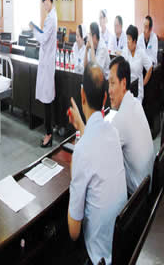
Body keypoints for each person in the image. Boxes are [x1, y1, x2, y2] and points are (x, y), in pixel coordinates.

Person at [66, 63, 127, 265]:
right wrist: (80, 125)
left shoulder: (82, 150)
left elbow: (74, 232)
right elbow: (94, 138)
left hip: (98, 256)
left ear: (82, 95)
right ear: (104, 98)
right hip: (120, 245)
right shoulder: (113, 132)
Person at [108, 56, 154, 196]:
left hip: (137, 198)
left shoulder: (121, 119)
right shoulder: (135, 104)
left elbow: (100, 154)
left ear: (123, 84)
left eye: (112, 83)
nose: (109, 90)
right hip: (149, 184)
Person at [32, 0, 57, 148]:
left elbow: (43, 38)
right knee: (46, 100)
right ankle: (48, 132)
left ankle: (49, 134)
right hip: (47, 62)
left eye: (44, 3)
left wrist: (34, 30)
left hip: (47, 64)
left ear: (48, 0)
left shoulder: (51, 18)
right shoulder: (51, 17)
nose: (44, 6)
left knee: (47, 101)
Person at [123, 25, 152, 102]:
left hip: (138, 92)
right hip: (127, 90)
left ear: (135, 41)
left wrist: (143, 83)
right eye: (127, 38)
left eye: (129, 39)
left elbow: (150, 67)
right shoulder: (125, 51)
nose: (127, 41)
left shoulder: (141, 52)